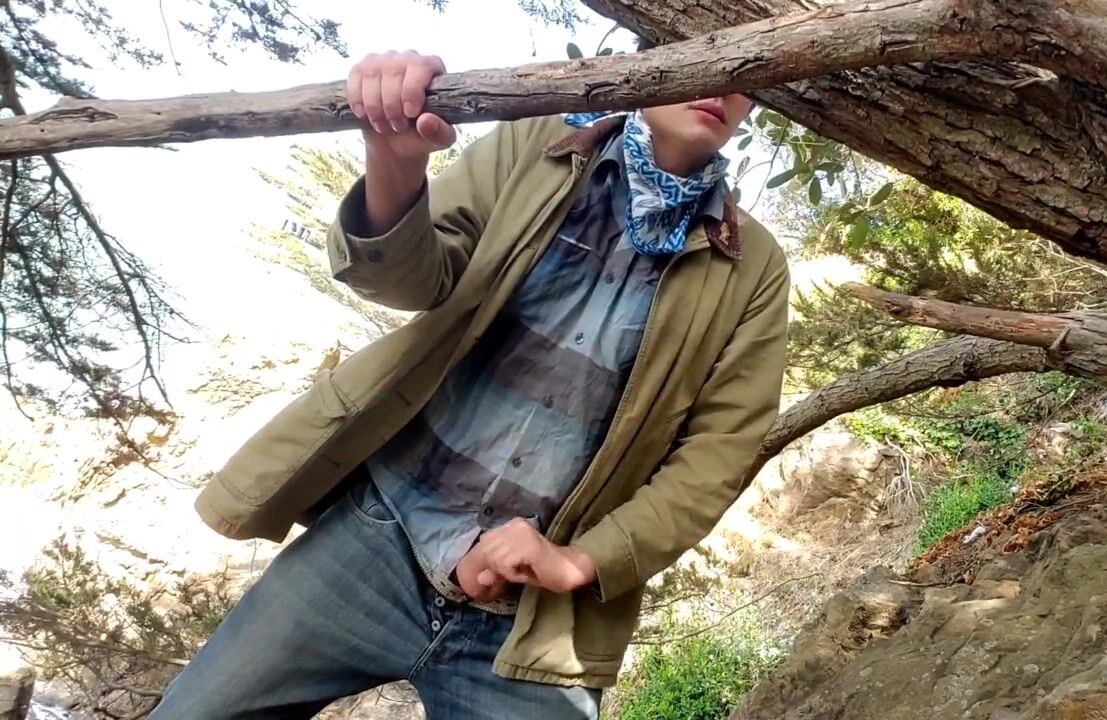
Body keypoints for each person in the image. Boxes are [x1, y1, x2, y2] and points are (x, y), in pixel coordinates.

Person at [152, 45, 789, 720]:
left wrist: (580, 561)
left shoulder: (753, 268)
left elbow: (716, 456)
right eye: (704, 55)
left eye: (747, 74)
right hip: (380, 533)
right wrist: (393, 162)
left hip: (538, 624)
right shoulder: (534, 147)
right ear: (645, 59)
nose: (723, 85)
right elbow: (414, 281)